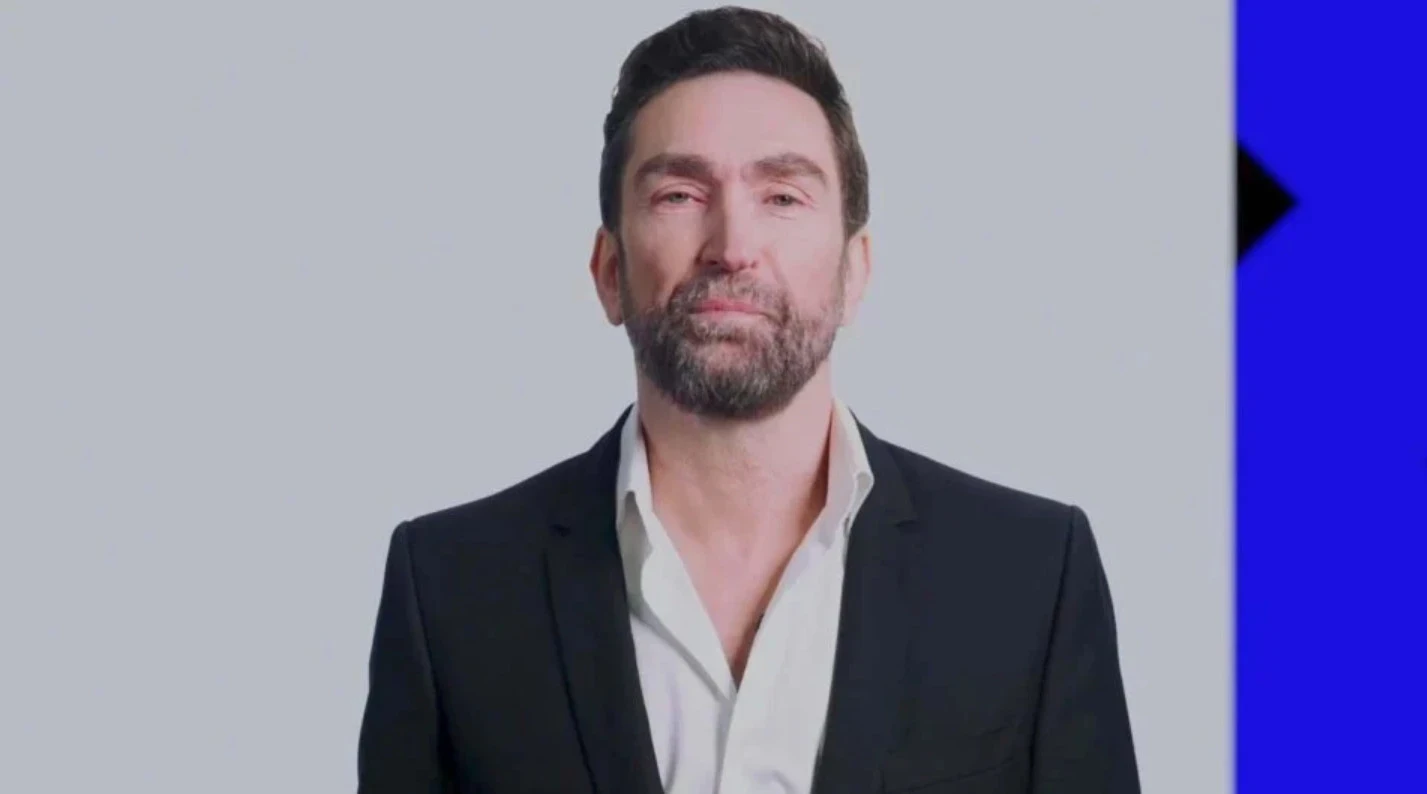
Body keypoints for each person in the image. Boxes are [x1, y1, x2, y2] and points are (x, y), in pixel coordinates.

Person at [356, 7, 1140, 793]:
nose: (732, 247)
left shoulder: (1030, 574)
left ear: (854, 271)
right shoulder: (450, 588)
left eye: (783, 197)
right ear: (608, 272)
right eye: (678, 194)